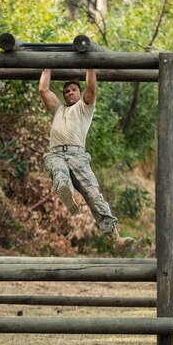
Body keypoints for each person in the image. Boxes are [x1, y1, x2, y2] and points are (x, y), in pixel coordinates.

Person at [39, 68, 134, 253]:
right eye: (66, 91)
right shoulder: (58, 109)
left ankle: (115, 237)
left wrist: (90, 65)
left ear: (79, 92)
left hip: (78, 155)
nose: (69, 93)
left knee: (93, 194)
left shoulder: (84, 107)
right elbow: (43, 90)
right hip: (56, 153)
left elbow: (91, 87)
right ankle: (67, 197)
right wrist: (48, 65)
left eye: (73, 89)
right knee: (60, 173)